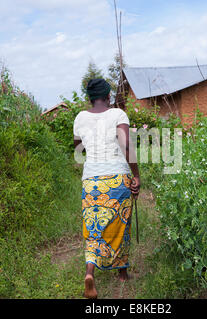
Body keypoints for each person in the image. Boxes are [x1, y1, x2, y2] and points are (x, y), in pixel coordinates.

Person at [73, 78, 141, 299]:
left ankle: (89, 272)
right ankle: (122, 274)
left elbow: (78, 147)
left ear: (90, 97)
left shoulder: (80, 118)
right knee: (120, 225)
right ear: (108, 96)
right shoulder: (118, 114)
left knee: (94, 227)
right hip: (116, 178)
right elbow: (126, 144)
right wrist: (136, 175)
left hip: (91, 180)